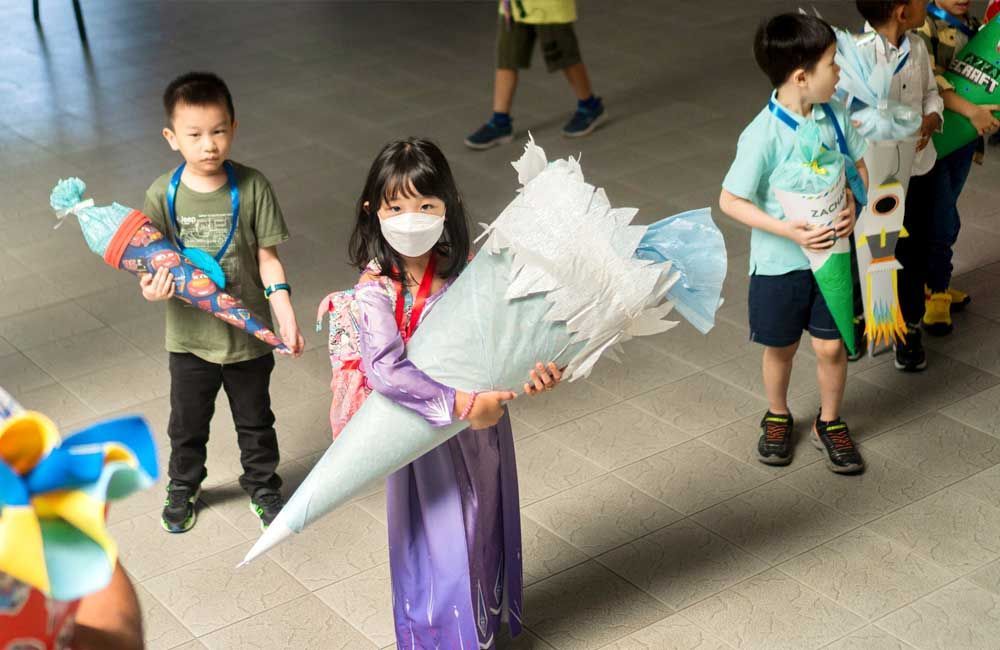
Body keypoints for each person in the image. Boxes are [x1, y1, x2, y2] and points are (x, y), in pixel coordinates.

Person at [347, 137, 561, 648]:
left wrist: (533, 371)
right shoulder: (376, 288)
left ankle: (480, 629)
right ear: (373, 210)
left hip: (481, 429)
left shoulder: (466, 267)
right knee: (439, 542)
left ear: (450, 207)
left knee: (483, 526)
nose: (411, 218)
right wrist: (462, 404)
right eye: (396, 207)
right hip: (422, 435)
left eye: (426, 205)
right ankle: (441, 638)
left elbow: (504, 337)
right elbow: (384, 369)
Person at [140, 72, 305, 533]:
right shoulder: (161, 195)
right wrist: (151, 288)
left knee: (255, 420)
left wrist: (284, 312)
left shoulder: (252, 187)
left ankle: (263, 485)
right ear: (172, 138)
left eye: (218, 131)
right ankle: (184, 484)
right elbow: (150, 265)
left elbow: (268, 258)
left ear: (233, 127)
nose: (208, 145)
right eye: (194, 135)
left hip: (248, 336)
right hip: (189, 340)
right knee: (187, 424)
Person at [719, 14, 869, 474]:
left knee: (831, 347)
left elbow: (859, 170)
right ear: (802, 77)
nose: (840, 73)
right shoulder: (761, 134)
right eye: (832, 64)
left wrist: (851, 203)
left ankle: (830, 420)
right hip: (779, 265)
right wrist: (787, 230)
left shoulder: (836, 117)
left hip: (832, 261)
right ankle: (778, 414)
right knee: (780, 347)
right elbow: (729, 200)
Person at [852, 0, 944, 371]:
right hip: (874, 177)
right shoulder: (856, 58)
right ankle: (859, 317)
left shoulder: (919, 46)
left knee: (912, 247)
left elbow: (931, 93)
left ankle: (908, 326)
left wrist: (933, 115)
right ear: (901, 11)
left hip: (918, 169)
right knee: (868, 245)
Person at [915, 0, 1000, 334]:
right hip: (935, 138)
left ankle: (935, 281)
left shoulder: (974, 24)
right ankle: (935, 293)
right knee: (941, 218)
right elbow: (929, 84)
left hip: (963, 141)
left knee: (944, 209)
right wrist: (971, 111)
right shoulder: (925, 27)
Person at [464, 0, 605, 149]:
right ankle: (500, 121)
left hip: (548, 6)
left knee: (564, 57)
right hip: (514, 6)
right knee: (506, 57)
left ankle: (590, 106)